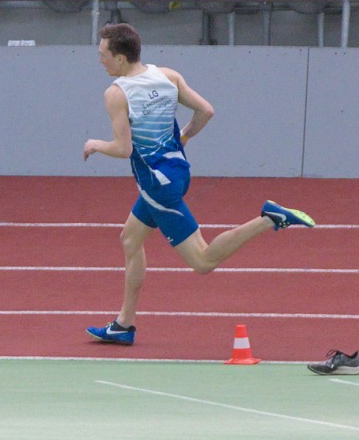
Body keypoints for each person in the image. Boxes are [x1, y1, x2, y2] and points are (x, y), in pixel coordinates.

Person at [82, 22, 312, 345]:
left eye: (103, 54)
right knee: (130, 239)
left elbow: (124, 148)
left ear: (120, 58)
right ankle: (124, 324)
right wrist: (184, 137)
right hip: (178, 171)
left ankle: (268, 218)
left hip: (157, 185)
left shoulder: (116, 94)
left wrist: (95, 144)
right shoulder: (168, 76)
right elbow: (206, 111)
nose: (100, 60)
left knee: (203, 260)